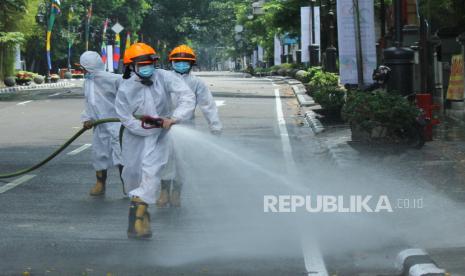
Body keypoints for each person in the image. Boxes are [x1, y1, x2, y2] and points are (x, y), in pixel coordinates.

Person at [115, 43, 195, 239]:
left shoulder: (164, 77)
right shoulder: (125, 88)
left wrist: (174, 118)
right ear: (130, 66)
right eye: (141, 64)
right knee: (134, 178)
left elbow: (187, 97)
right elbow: (125, 118)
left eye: (149, 62)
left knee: (151, 176)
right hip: (135, 139)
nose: (146, 67)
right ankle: (142, 218)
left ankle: (135, 222)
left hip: (161, 137)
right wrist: (147, 127)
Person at [155, 45, 222, 208]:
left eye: (185, 62)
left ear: (192, 64)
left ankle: (176, 193)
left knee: (181, 162)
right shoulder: (163, 78)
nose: (181, 65)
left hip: (186, 126)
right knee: (163, 160)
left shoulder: (196, 82)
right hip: (163, 126)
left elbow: (207, 104)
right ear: (171, 62)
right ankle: (164, 191)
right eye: (178, 62)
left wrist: (215, 125)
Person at [80, 51, 123, 197]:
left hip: (117, 124)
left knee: (122, 156)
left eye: (83, 68)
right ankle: (100, 184)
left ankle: (128, 185)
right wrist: (87, 118)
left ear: (87, 67)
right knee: (99, 155)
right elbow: (89, 103)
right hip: (99, 125)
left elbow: (129, 96)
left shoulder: (115, 79)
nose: (83, 71)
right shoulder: (88, 82)